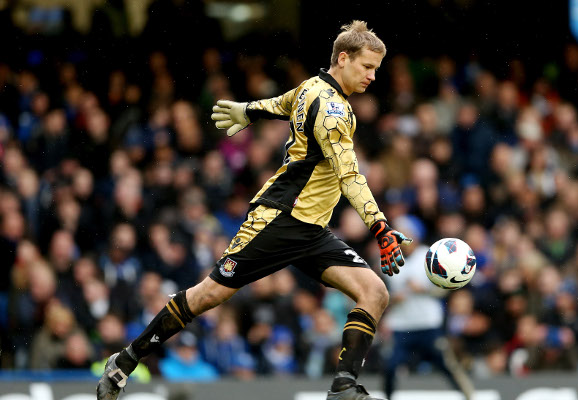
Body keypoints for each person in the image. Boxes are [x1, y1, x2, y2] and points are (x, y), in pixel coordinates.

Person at [97, 20, 412, 400]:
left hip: (311, 230)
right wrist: (379, 227)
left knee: (374, 292)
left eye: (376, 69)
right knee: (208, 295)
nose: (373, 76)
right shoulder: (332, 111)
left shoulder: (313, 88)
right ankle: (126, 360)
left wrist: (248, 110)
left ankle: (344, 386)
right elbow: (350, 175)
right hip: (279, 219)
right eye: (367, 67)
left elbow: (282, 103)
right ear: (343, 58)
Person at [380, 215, 474, 400]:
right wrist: (391, 300)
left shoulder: (431, 256)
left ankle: (470, 396)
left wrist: (424, 290)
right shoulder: (386, 258)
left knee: (448, 366)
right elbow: (380, 293)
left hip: (428, 324)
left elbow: (447, 289)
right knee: (390, 367)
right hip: (402, 325)